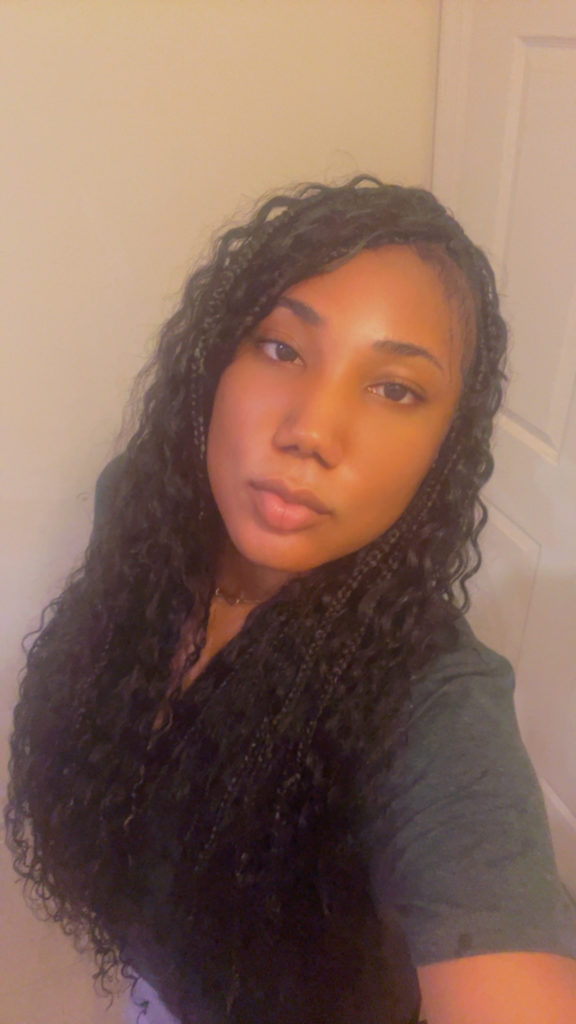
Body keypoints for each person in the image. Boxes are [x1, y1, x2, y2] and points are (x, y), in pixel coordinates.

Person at [5, 177, 576, 1024]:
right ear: (215, 361)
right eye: (280, 348)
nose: (311, 429)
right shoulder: (138, 510)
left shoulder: (435, 708)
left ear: (444, 452)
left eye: (396, 389)